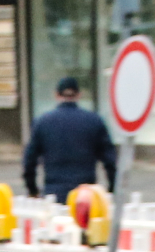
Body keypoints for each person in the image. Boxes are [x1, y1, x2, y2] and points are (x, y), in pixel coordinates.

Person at [22, 75, 116, 205]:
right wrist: (111, 190)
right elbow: (111, 162)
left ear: (56, 94)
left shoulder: (42, 122)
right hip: (85, 196)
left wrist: (32, 189)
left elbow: (29, 162)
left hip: (54, 194)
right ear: (79, 95)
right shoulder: (94, 121)